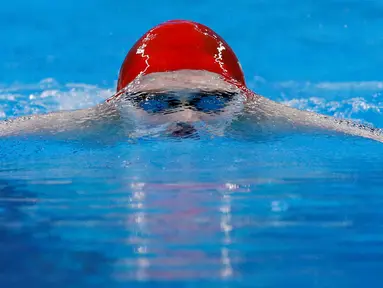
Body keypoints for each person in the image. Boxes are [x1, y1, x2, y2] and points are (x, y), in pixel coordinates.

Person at [0, 20, 382, 142]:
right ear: (117, 104)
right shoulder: (94, 125)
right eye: (154, 103)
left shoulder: (263, 118)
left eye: (211, 101)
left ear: (245, 100)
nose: (186, 119)